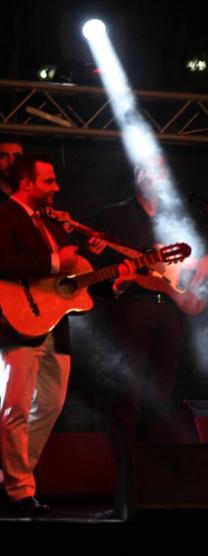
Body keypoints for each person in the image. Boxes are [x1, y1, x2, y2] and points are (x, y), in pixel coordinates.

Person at [92, 161, 208, 468]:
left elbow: (200, 258)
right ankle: (124, 472)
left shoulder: (176, 218)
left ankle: (153, 468)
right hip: (131, 307)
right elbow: (95, 271)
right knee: (128, 394)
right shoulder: (113, 216)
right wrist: (116, 281)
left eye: (157, 170)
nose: (149, 175)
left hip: (169, 310)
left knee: (162, 394)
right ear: (135, 173)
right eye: (143, 169)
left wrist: (204, 265)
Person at [0, 154, 78, 514]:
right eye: (49, 181)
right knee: (15, 408)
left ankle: (12, 478)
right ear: (26, 183)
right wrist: (55, 261)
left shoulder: (48, 222)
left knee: (50, 405)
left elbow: (66, 280)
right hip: (17, 325)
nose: (56, 187)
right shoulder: (6, 214)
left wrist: (117, 280)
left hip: (54, 327)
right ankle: (19, 490)